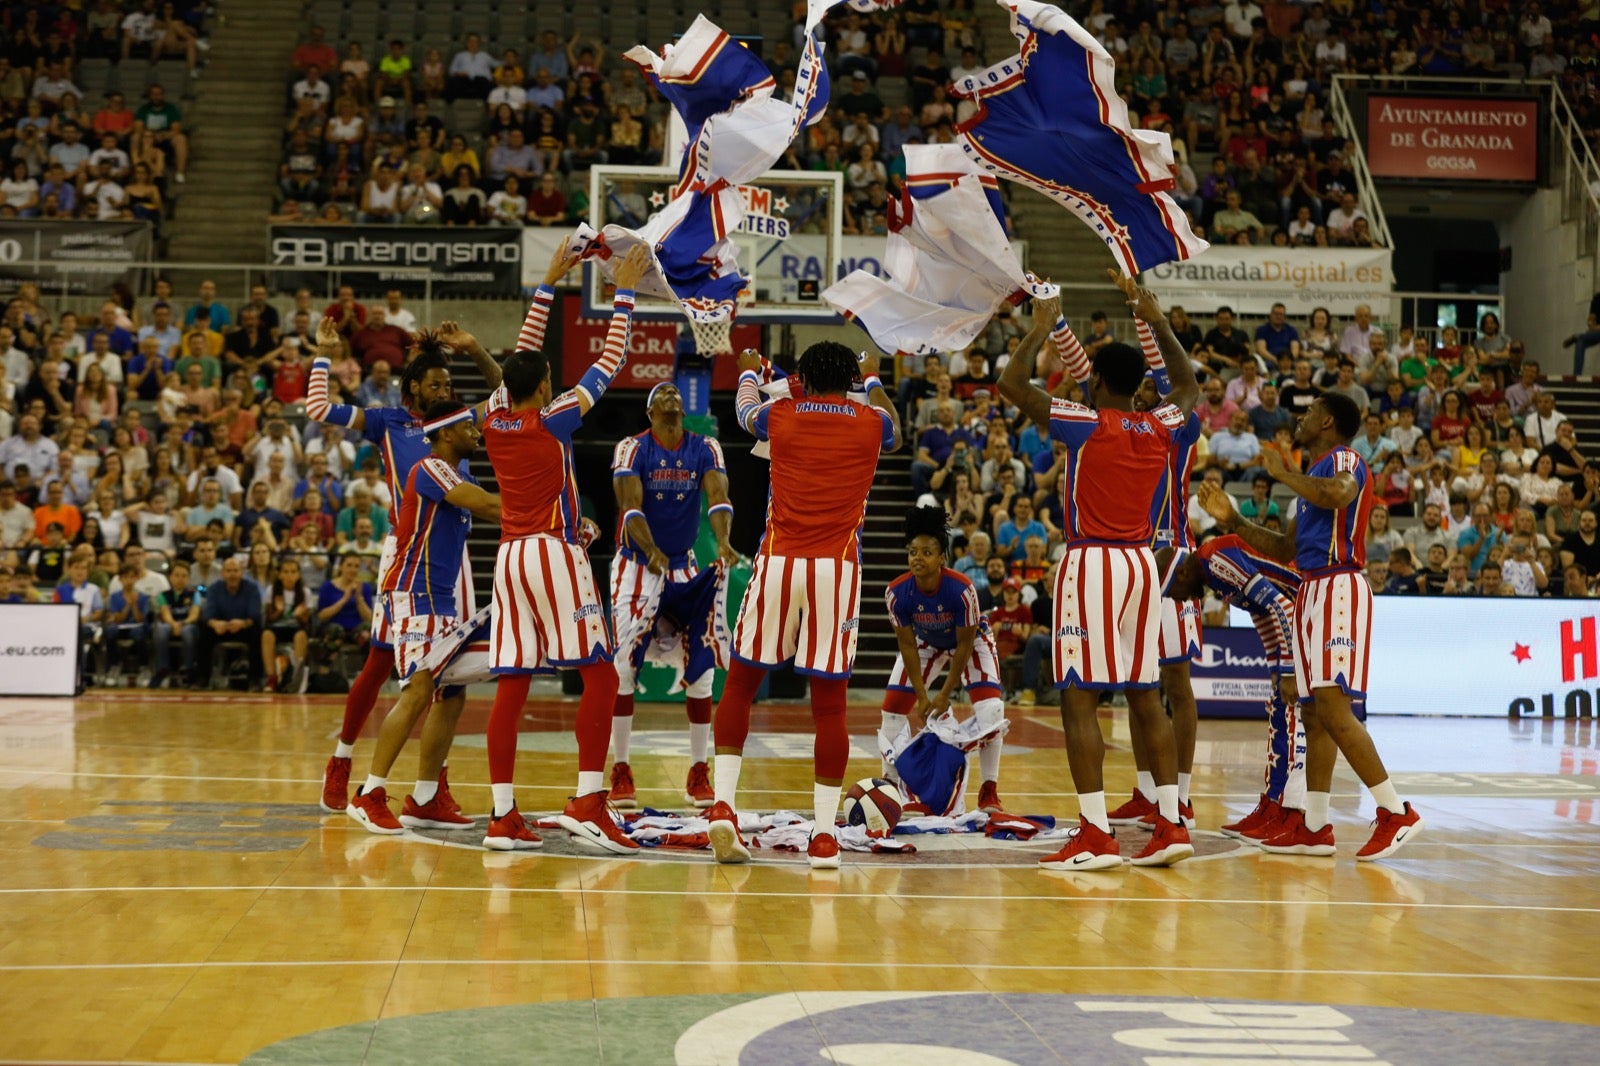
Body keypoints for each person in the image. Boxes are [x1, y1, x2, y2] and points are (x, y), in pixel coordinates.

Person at [997, 270, 1202, 871]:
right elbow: (1187, 389)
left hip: (1094, 563)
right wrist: (1157, 318)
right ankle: (1170, 821)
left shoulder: (1086, 422)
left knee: (1078, 697)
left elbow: (1013, 383)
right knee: (1145, 694)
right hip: (1144, 567)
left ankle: (1094, 831)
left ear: (1100, 385)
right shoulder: (1160, 425)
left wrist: (1039, 330)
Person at [1197, 393, 1424, 860]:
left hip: (1340, 585)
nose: (1298, 419)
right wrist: (1235, 520)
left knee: (1335, 710)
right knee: (1315, 715)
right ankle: (1315, 826)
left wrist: (1283, 474)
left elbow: (1341, 493)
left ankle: (1395, 811)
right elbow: (1284, 551)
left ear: (1327, 421)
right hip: (1312, 588)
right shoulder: (1311, 482)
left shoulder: (1343, 458)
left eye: (1307, 413)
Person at [477, 245, 650, 854]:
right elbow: (611, 358)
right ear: (545, 386)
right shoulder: (552, 419)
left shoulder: (494, 418)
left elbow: (517, 365)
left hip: (508, 559)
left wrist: (548, 283)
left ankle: (502, 815)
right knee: (601, 676)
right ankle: (587, 799)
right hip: (552, 554)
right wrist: (624, 292)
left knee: (512, 686)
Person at [707, 337, 902, 871]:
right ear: (851, 383)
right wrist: (875, 379)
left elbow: (745, 412)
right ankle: (822, 836)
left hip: (778, 560)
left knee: (743, 682)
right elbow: (894, 426)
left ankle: (723, 802)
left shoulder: (785, 414)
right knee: (830, 705)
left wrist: (750, 371)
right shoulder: (870, 422)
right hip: (835, 569)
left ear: (807, 380)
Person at [307, 308, 498, 814]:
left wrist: (476, 350)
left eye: (446, 383)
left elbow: (507, 398)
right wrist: (324, 356)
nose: (442, 390)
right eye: (433, 384)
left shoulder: (459, 423)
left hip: (451, 555)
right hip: (407, 552)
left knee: (449, 678)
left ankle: (431, 788)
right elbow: (318, 411)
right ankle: (343, 761)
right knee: (380, 664)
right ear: (412, 389)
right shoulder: (389, 422)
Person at [345, 402, 503, 840]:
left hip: (441, 599)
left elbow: (493, 507)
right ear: (447, 434)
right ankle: (369, 793)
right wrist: (554, 517)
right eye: (469, 427)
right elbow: (490, 506)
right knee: (418, 690)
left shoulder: (460, 473)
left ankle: (426, 797)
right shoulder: (430, 469)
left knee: (451, 694)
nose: (477, 432)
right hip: (414, 595)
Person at [606, 383, 738, 810]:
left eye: (675, 394)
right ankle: (621, 770)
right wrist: (650, 551)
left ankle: (699, 772)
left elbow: (718, 497)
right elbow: (630, 507)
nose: (670, 395)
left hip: (683, 566)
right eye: (661, 394)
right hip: (636, 567)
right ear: (649, 412)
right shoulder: (632, 448)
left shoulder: (706, 447)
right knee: (623, 669)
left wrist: (722, 542)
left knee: (701, 670)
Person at [1156, 534, 1305, 846]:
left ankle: (1292, 814)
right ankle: (1272, 805)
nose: (1181, 601)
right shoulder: (1211, 571)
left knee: (1292, 718)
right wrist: (1275, 665)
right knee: (1278, 712)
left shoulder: (1215, 560)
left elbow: (1284, 609)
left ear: (1182, 573)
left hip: (1307, 606)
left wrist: (1288, 670)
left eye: (1174, 594)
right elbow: (1259, 611)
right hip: (1293, 619)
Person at [1108, 362, 1206, 830]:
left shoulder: (1180, 427)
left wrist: (1146, 317)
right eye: (1141, 384)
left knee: (1176, 684)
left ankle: (1181, 796)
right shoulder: (1130, 430)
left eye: (1153, 386)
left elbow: (1187, 395)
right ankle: (1147, 792)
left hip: (1173, 563)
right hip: (1136, 562)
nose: (1144, 393)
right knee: (1137, 684)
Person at [880, 505, 1009, 814]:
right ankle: (889, 785)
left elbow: (963, 647)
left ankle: (989, 789)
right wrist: (922, 698)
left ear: (942, 559)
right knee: (892, 711)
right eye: (913, 552)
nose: (917, 558)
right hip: (926, 643)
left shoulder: (962, 589)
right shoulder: (896, 594)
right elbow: (908, 646)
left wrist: (944, 694)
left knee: (992, 710)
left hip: (971, 640)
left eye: (926, 552)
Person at [197, 555, 263, 688]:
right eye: (228, 571)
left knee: (258, 632)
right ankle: (202, 678)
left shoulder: (252, 588)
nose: (232, 574)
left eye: (235, 571)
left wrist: (243, 623)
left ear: (242, 572)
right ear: (222, 573)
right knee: (203, 631)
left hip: (244, 628)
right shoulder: (215, 588)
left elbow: (255, 614)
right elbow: (208, 614)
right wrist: (214, 623)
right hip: (221, 628)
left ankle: (255, 680)